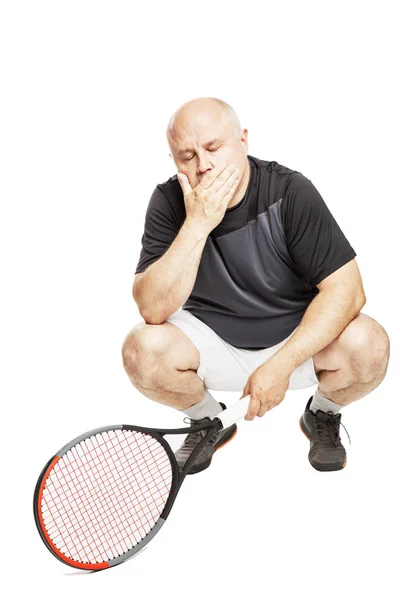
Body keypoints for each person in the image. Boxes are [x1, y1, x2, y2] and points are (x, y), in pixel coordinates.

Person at [122, 96, 390, 474]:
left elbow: (348, 291)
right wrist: (198, 223)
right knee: (140, 352)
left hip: (295, 342)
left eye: (213, 147)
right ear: (174, 161)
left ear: (243, 140)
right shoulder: (168, 201)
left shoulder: (290, 191)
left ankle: (322, 414)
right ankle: (207, 419)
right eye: (187, 156)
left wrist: (281, 365)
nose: (204, 165)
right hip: (213, 343)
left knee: (371, 345)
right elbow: (151, 308)